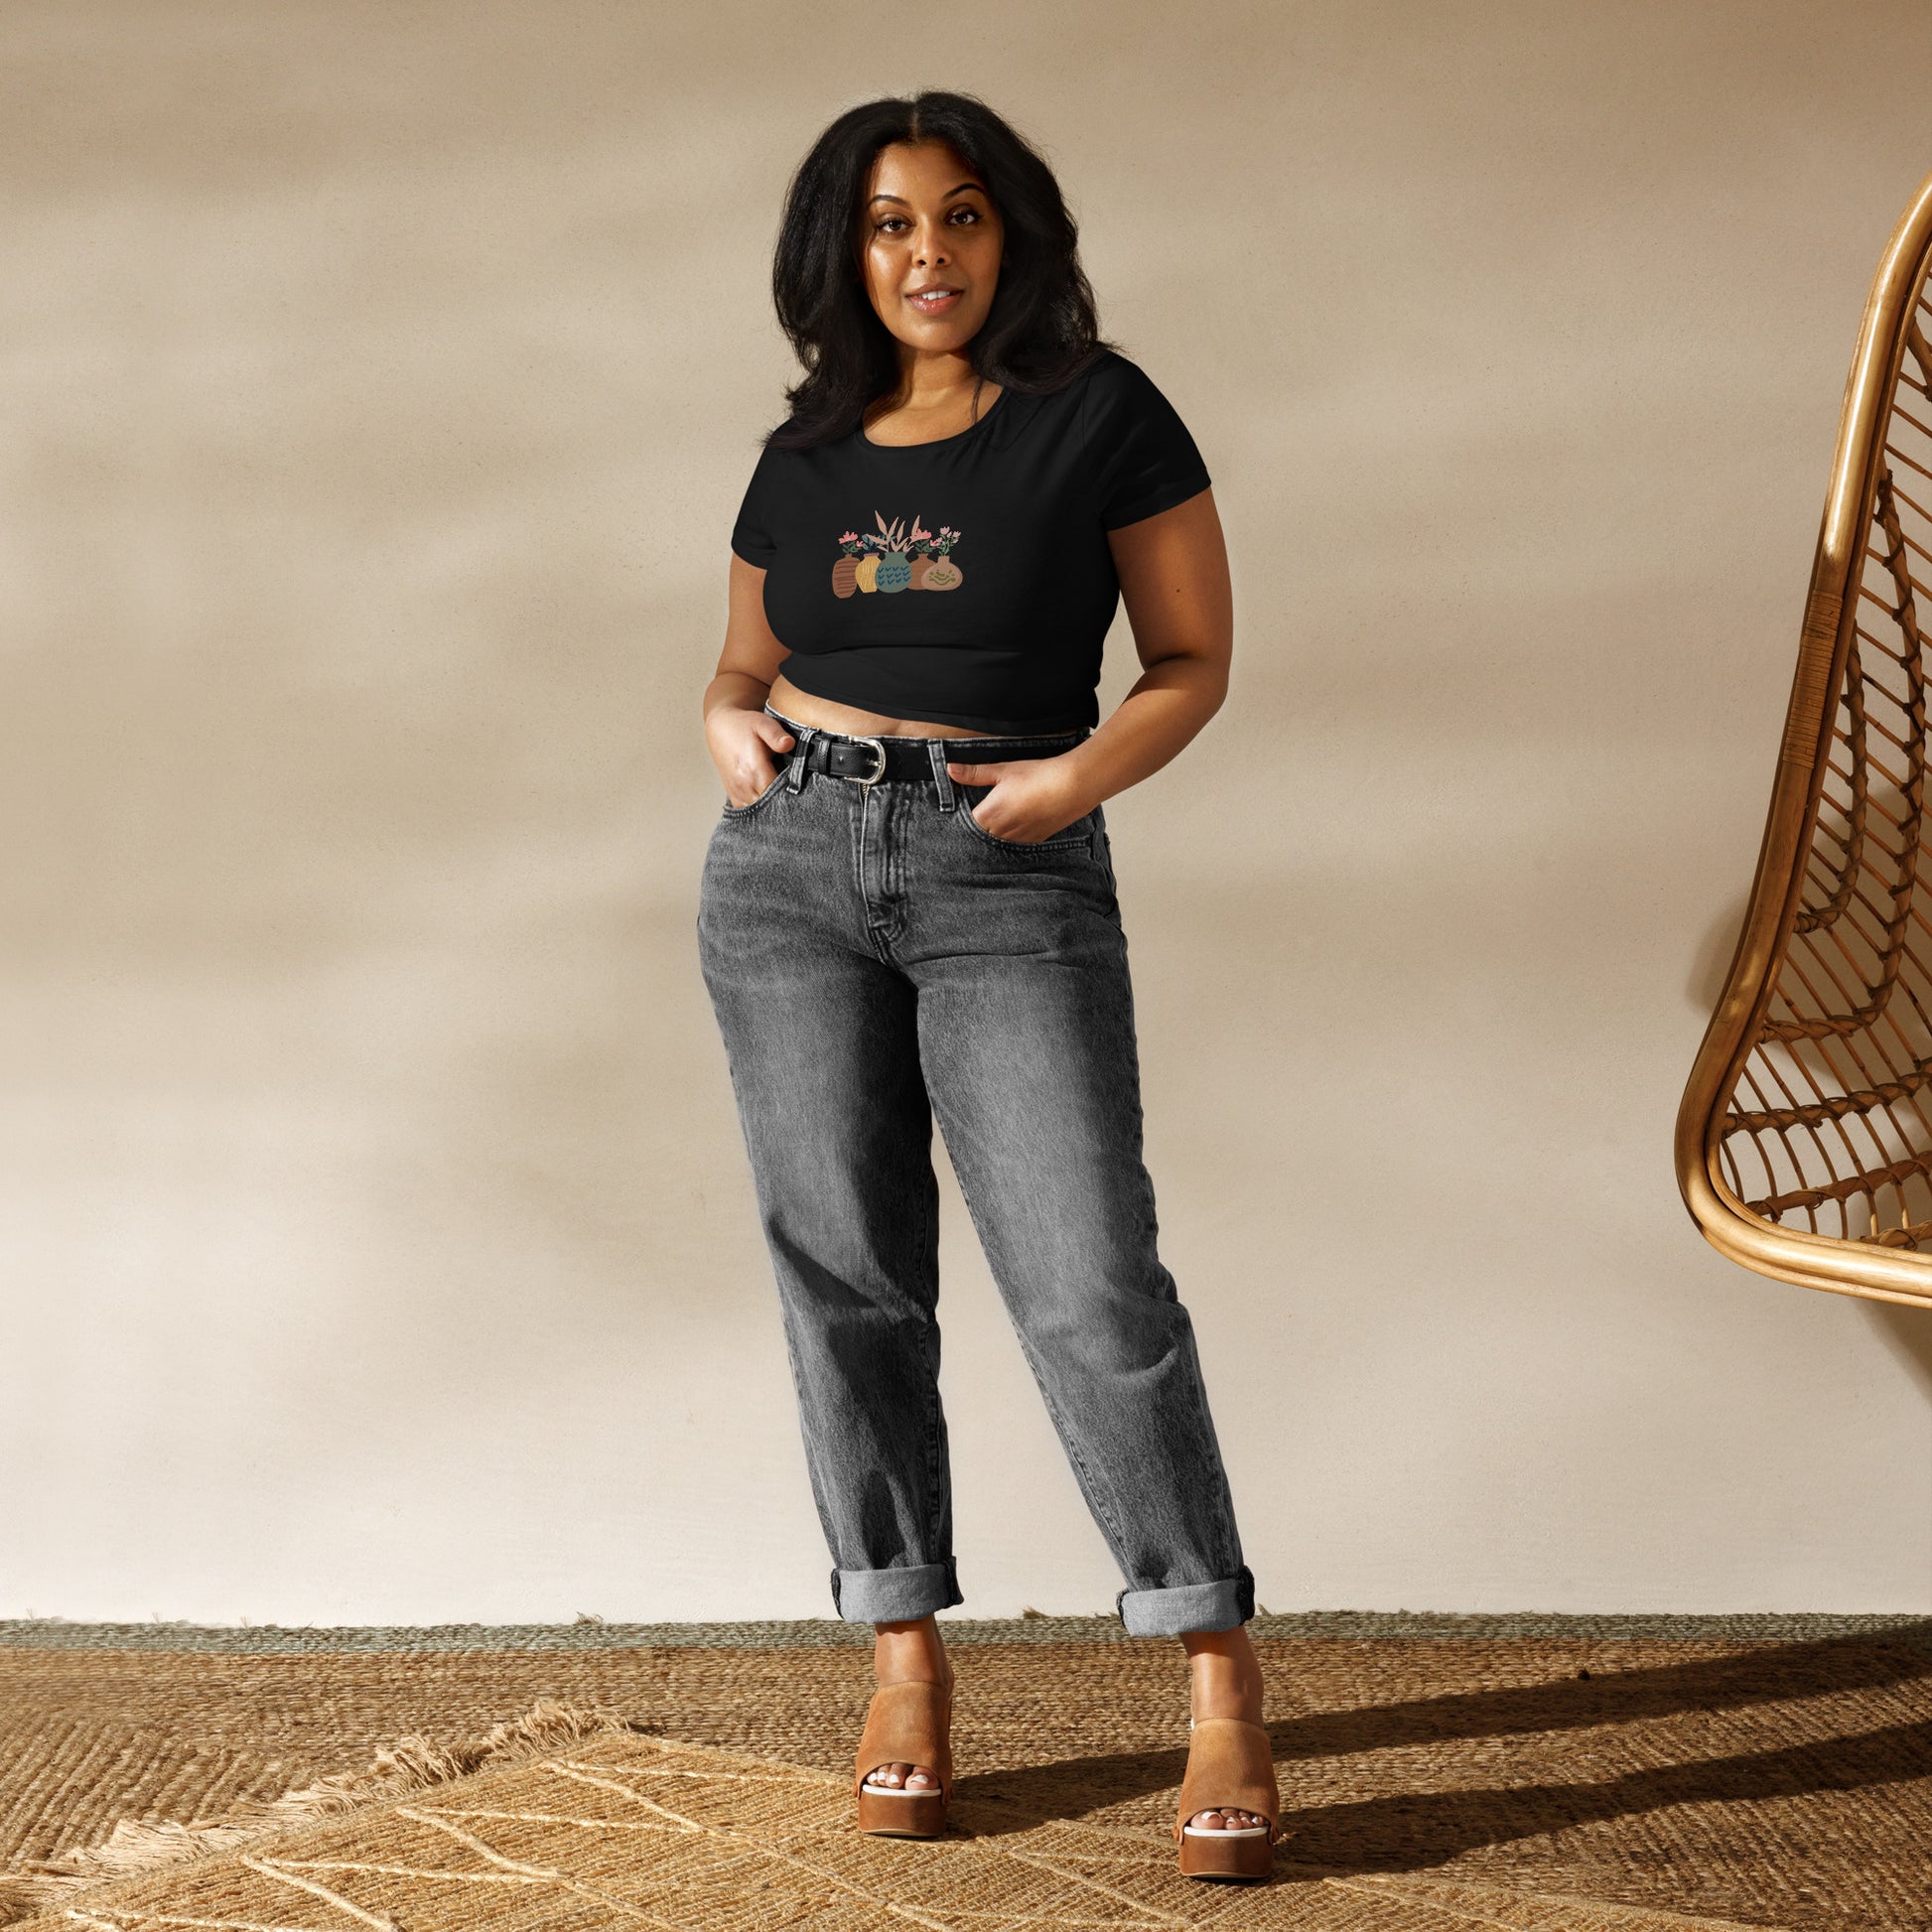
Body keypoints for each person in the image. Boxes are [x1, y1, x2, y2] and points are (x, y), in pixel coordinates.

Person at [697, 89, 1280, 1882]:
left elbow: (1189, 655)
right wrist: (728, 728)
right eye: (887, 224)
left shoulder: (1099, 416)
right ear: (842, 252)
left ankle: (1217, 1670)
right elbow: (740, 661)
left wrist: (1075, 782)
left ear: (1009, 234)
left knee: (1090, 1273)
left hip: (1003, 856)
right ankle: (902, 1660)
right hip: (788, 869)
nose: (925, 255)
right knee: (846, 1273)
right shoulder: (803, 451)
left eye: (958, 218)